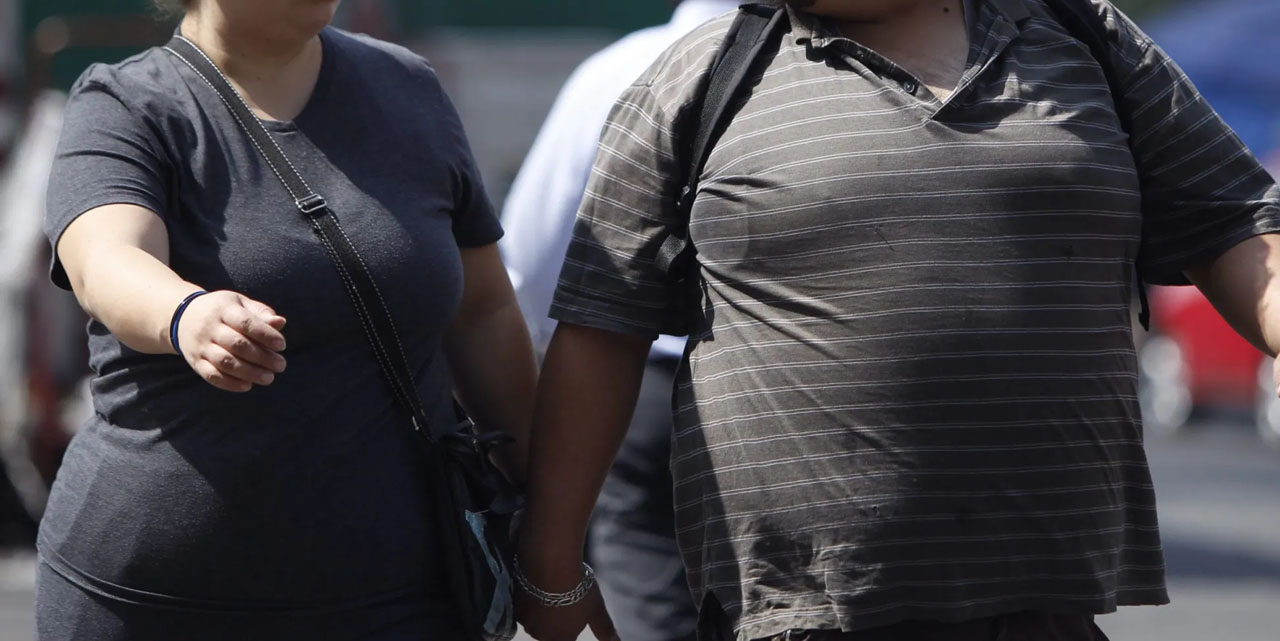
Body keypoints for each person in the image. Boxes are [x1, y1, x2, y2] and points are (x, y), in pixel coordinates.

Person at [514, 1, 1280, 641]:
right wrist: (551, 564)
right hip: (796, 616)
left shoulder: (1086, 38)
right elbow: (599, 328)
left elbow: (1236, 227)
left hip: (1045, 606)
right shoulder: (701, 74)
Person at [36, 0, 536, 639]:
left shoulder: (408, 88)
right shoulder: (124, 102)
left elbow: (485, 312)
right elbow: (104, 260)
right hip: (152, 602)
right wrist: (185, 313)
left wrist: (552, 522)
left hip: (403, 598)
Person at [500, 2, 738, 640]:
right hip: (699, 390)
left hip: (640, 393)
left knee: (651, 604)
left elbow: (528, 270)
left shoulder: (623, 66)